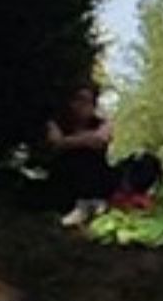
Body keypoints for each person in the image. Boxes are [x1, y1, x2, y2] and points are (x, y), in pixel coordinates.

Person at [44, 85, 115, 228]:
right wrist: (86, 140)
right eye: (78, 100)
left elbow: (100, 139)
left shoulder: (102, 123)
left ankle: (90, 204)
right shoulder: (55, 122)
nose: (81, 105)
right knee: (79, 156)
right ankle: (82, 206)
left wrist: (70, 141)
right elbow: (56, 144)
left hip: (96, 176)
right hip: (66, 176)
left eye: (87, 101)